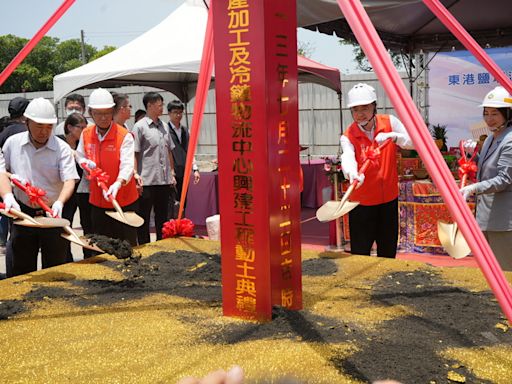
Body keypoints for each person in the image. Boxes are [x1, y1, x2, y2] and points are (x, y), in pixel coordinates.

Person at [2, 98, 79, 277]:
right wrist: (8, 195)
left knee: (54, 266)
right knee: (21, 267)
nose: (44, 132)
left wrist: (60, 202)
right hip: (23, 212)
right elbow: (2, 172)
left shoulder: (62, 148)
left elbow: (69, 180)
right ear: (26, 122)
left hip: (52, 214)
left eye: (48, 127)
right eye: (39, 126)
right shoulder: (13, 143)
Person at [339, 83, 414, 258]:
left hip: (388, 199)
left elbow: (413, 142)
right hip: (361, 203)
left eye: (365, 108)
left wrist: (395, 137)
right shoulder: (348, 135)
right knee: (360, 251)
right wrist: (351, 172)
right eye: (355, 110)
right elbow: (347, 156)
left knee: (387, 250)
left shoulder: (390, 122)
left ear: (374, 106)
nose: (360, 114)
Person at [75, 88, 139, 246]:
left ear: (113, 111)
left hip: (123, 200)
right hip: (98, 200)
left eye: (107, 112)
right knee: (103, 243)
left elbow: (128, 165)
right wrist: (84, 163)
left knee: (126, 244)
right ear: (91, 113)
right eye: (98, 113)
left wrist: (118, 182)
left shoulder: (123, 136)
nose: (103, 117)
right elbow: (79, 155)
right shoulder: (86, 133)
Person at [460, 86, 512, 271]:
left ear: (507, 114)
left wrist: (474, 188)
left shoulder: (510, 140)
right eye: (486, 113)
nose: (489, 119)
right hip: (486, 217)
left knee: (506, 271)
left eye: (494, 114)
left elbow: (503, 179)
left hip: (503, 221)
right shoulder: (490, 139)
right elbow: (486, 171)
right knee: (489, 271)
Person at [132, 92, 176, 244]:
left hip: (163, 180)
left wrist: (171, 172)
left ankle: (161, 244)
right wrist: (135, 174)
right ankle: (144, 245)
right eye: (159, 105)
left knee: (162, 216)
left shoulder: (164, 126)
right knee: (144, 216)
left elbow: (169, 149)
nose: (162, 108)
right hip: (147, 180)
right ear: (149, 106)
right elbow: (135, 153)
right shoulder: (139, 127)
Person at [57, 112, 94, 260]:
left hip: (83, 191)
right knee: (65, 225)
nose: (84, 131)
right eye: (81, 128)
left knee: (88, 225)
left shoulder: (83, 144)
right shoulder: (58, 143)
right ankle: (66, 258)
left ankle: (89, 255)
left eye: (86, 128)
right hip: (65, 192)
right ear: (70, 127)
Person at [0, 96, 30, 247]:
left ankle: (3, 240)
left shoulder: (4, 131)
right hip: (21, 185)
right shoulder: (26, 131)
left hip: (6, 183)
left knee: (8, 216)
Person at [167, 99, 200, 218]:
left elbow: (190, 150)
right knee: (171, 202)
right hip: (171, 172)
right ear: (169, 113)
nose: (178, 115)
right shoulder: (165, 130)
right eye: (175, 112)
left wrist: (195, 169)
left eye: (180, 112)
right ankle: (171, 227)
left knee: (183, 201)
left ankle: (181, 225)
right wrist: (170, 172)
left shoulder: (186, 130)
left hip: (184, 171)